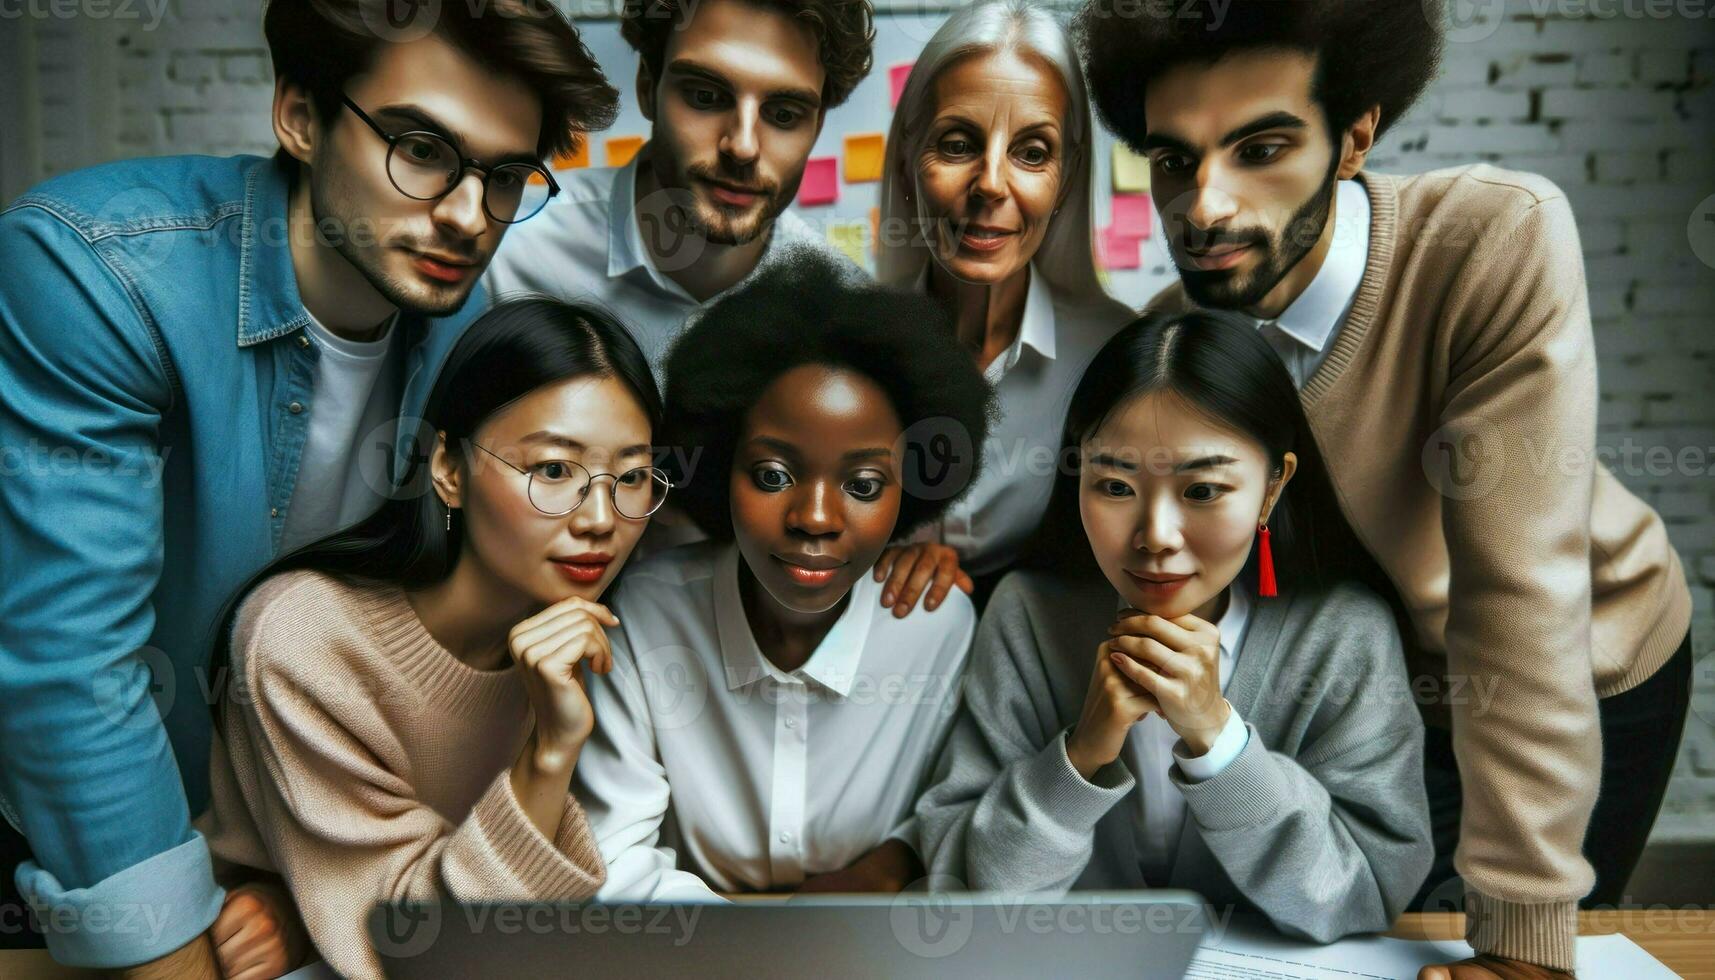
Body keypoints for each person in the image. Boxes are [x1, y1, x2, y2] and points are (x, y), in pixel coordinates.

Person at [1075, 0, 1694, 976]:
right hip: (1381, 693)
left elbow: (1515, 594)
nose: (1203, 207)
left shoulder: (1489, 243)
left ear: (1353, 136)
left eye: (1260, 147)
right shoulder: (1177, 335)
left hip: (1572, 660)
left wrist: (1522, 938)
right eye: (1171, 161)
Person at [0, 0, 618, 972]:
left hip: (281, 854)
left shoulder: (464, 326)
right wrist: (172, 938)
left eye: (503, 177)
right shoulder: (100, 269)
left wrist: (313, 888)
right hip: (77, 842)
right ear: (298, 113)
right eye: (420, 149)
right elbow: (68, 669)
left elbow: (404, 644)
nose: (466, 214)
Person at [913, 310, 1431, 942]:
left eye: (1203, 491)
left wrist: (1218, 738)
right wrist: (1081, 755)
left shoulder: (1344, 634)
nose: (1155, 536)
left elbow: (1368, 893)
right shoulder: (1027, 615)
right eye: (1114, 484)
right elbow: (965, 892)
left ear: (1272, 489)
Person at [195, 298, 668, 979]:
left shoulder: (600, 624)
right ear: (447, 468)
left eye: (630, 477)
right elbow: (425, 949)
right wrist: (550, 751)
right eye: (554, 471)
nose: (601, 519)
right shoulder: (305, 640)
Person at [574, 250, 996, 899]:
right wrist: (777, 938)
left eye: (861, 483)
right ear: (718, 467)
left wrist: (893, 864)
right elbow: (614, 867)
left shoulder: (934, 626)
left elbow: (954, 819)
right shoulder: (646, 616)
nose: (815, 518)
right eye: (773, 476)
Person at [872, 0, 1131, 618]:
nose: (991, 184)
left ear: (1066, 178)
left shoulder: (1118, 356)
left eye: (1032, 153)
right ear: (908, 157)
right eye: (958, 144)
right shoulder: (842, 345)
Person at [483, 0, 876, 381]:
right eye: (705, 96)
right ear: (646, 87)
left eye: (785, 115)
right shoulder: (508, 254)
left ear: (818, 126)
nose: (742, 146)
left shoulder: (848, 311)